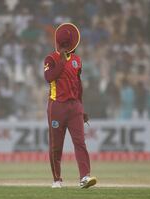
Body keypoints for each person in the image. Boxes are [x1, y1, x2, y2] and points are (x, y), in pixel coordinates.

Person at [43, 23, 97, 188]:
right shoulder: (51, 59)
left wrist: (81, 107)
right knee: (56, 146)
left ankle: (84, 177)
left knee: (80, 142)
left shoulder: (77, 60)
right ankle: (57, 179)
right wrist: (61, 60)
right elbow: (49, 78)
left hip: (75, 107)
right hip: (56, 106)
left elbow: (78, 85)